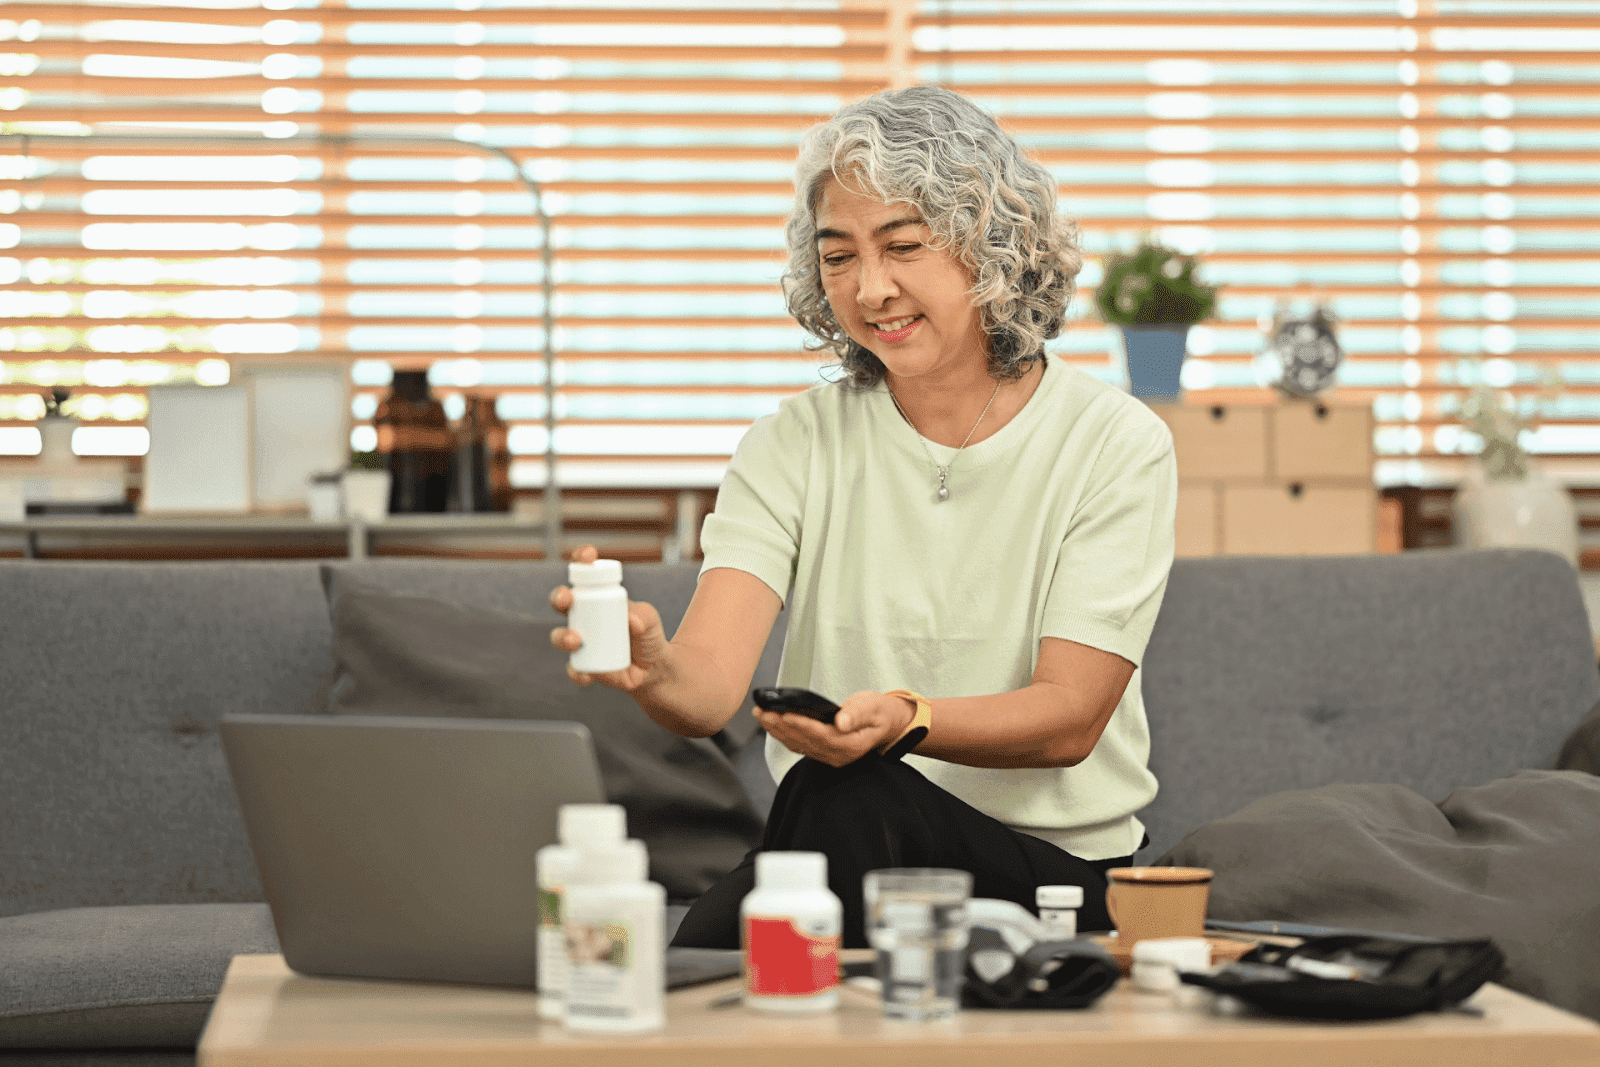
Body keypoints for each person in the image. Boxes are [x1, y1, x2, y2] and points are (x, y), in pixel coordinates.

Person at [550, 85, 1177, 949]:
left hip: (1054, 877)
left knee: (836, 797)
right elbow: (706, 691)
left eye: (904, 247)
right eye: (837, 256)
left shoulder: (1114, 441)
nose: (870, 288)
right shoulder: (792, 444)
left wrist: (905, 719)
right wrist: (653, 668)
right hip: (841, 846)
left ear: (989, 246)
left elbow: (1069, 718)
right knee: (773, 870)